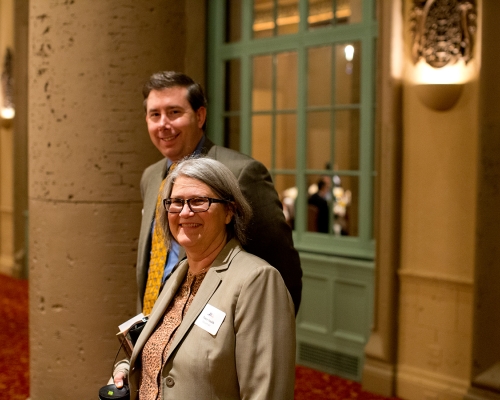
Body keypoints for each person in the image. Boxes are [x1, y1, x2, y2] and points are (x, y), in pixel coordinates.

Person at [112, 157, 296, 399]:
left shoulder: (257, 281)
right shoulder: (180, 274)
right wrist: (126, 370)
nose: (185, 212)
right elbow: (164, 353)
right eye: (177, 202)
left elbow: (267, 393)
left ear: (230, 211)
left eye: (199, 201)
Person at [137, 71, 302, 315]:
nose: (163, 124)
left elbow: (281, 270)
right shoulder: (151, 177)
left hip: (216, 340)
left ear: (200, 115)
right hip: (155, 329)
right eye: (155, 115)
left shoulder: (241, 174)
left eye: (174, 112)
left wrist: (267, 336)